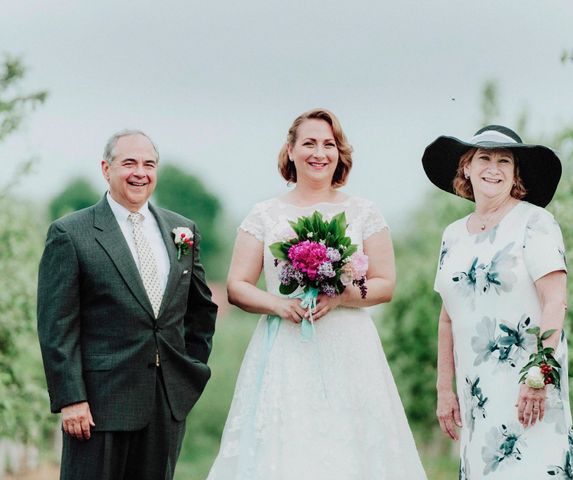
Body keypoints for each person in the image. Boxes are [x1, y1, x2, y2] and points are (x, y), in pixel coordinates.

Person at [207, 109, 426, 479]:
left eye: (329, 144)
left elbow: (386, 283)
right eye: (309, 143)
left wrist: (341, 296)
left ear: (339, 153)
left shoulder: (363, 212)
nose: (319, 153)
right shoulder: (264, 214)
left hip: (350, 348)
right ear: (290, 150)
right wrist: (278, 304)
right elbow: (237, 287)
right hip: (285, 347)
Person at [37, 130, 218, 480]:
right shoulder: (70, 234)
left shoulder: (182, 230)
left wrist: (187, 373)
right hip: (96, 406)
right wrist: (71, 398)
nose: (140, 172)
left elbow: (201, 311)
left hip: (163, 404)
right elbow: (56, 325)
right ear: (106, 169)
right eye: (129, 163)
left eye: (149, 164)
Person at [422, 125, 573, 478]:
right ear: (467, 167)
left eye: (503, 161)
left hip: (529, 387)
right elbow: (447, 317)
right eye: (484, 158)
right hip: (476, 392)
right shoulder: (452, 235)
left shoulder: (536, 223)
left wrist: (539, 374)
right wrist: (444, 389)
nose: (492, 168)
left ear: (514, 174)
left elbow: (555, 302)